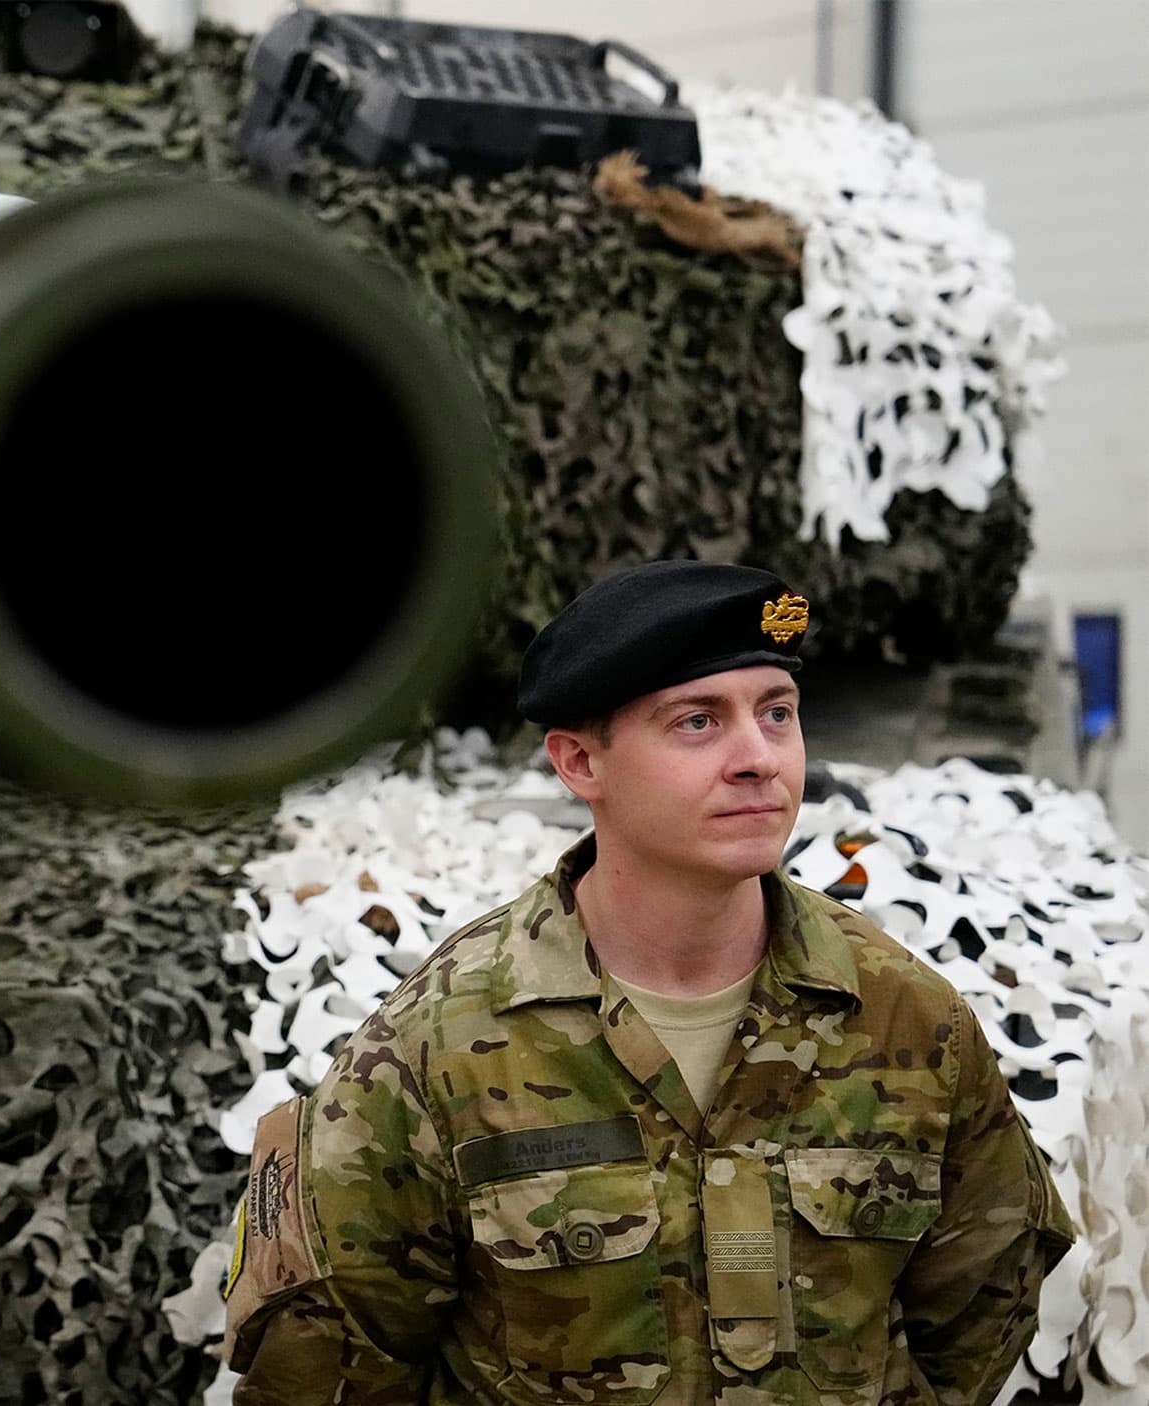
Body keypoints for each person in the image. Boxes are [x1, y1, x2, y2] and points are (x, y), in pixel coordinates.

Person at [221, 559, 1075, 1404]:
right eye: (698, 722)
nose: (758, 759)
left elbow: (978, 1321)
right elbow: (327, 1371)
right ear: (580, 764)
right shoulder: (433, 1049)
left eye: (777, 713)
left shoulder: (908, 1020)